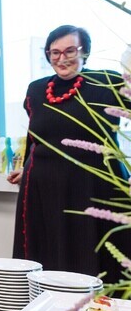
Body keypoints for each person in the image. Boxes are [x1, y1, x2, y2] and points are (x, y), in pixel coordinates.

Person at [8, 25, 130, 284]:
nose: (62, 58)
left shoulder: (108, 82)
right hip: (43, 191)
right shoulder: (36, 90)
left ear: (85, 52)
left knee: (94, 257)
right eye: (55, 52)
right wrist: (26, 166)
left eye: (70, 51)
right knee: (47, 259)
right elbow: (35, 137)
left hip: (94, 188)